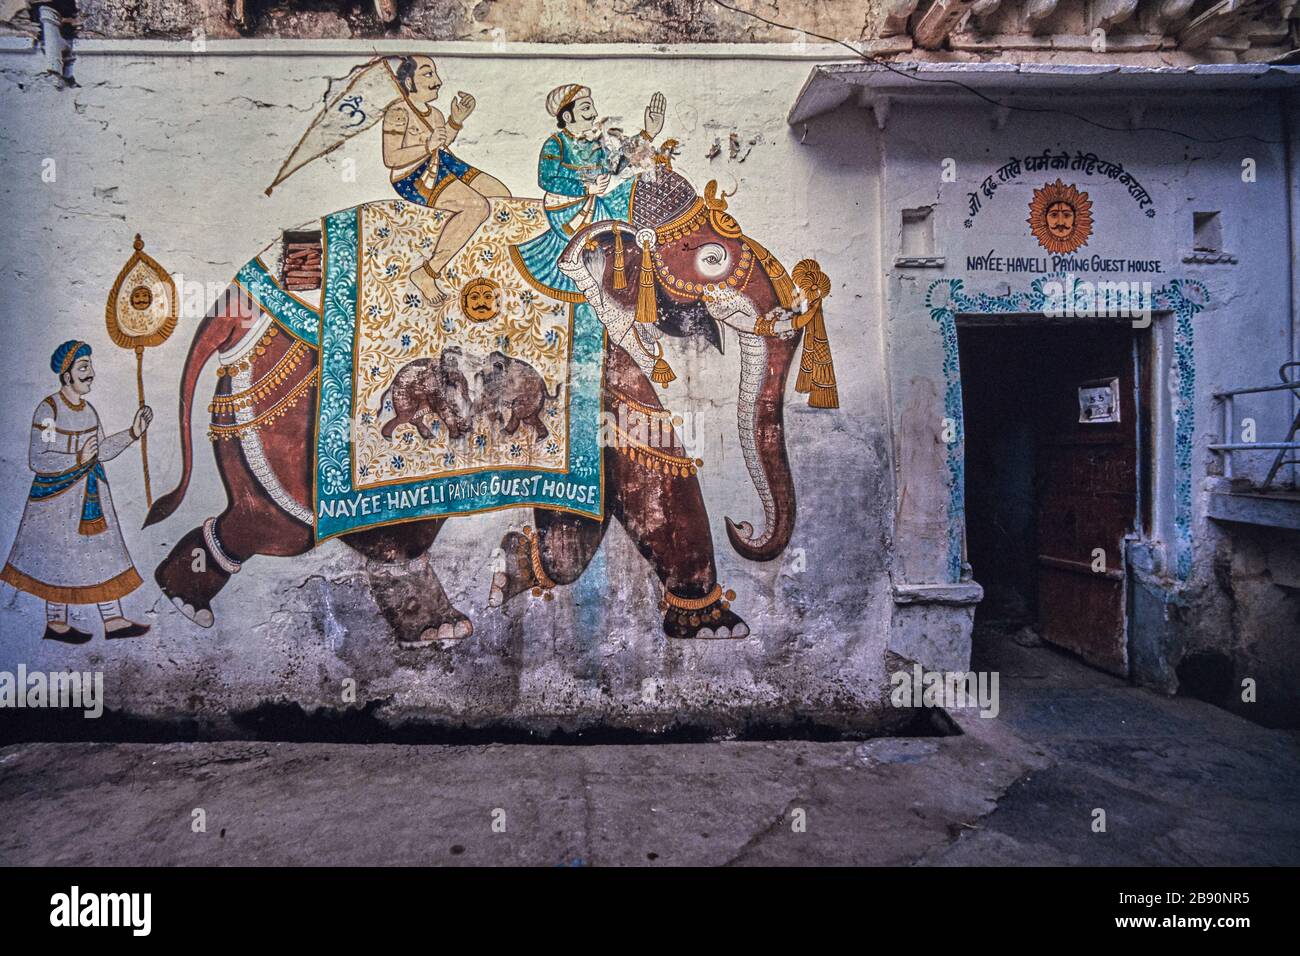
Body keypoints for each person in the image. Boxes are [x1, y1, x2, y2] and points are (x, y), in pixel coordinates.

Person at [0, 341, 153, 642]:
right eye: (83, 367)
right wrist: (77, 458)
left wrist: (132, 433)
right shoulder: (49, 410)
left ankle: (113, 620)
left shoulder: (89, 411)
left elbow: (102, 451)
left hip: (91, 496)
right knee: (57, 561)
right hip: (56, 501)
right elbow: (38, 458)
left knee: (104, 554)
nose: (91, 373)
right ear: (66, 374)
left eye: (90, 366)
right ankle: (57, 623)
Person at [512, 83, 666, 297]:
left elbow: (618, 163)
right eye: (586, 108)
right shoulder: (556, 143)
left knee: (633, 191)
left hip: (595, 203)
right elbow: (546, 179)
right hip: (567, 210)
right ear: (567, 116)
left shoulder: (595, 143)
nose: (594, 113)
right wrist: (586, 188)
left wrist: (648, 134)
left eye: (592, 107)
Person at [383, 55, 512, 304]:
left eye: (435, 73)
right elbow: (391, 158)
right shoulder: (398, 113)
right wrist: (426, 145)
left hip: (441, 161)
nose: (438, 81)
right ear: (409, 82)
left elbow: (442, 143)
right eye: (428, 74)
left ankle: (477, 259)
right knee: (477, 207)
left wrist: (455, 120)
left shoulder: (435, 114)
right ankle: (427, 272)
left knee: (501, 195)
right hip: (412, 175)